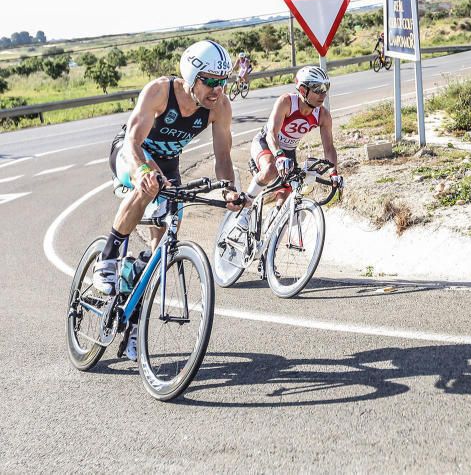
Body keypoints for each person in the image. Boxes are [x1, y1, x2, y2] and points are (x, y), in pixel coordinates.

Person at [93, 40, 243, 356]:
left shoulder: (220, 107)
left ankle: (133, 312)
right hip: (131, 152)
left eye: (222, 81)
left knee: (162, 247)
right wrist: (142, 172)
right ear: (191, 76)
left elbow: (223, 156)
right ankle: (108, 256)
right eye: (210, 81)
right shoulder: (161, 92)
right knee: (147, 188)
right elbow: (134, 141)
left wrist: (228, 188)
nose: (217, 89)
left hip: (167, 165)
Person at [228, 65, 339, 239]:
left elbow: (329, 148)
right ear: (303, 89)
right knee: (271, 169)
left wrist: (334, 173)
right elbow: (272, 132)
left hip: (288, 151)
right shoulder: (287, 102)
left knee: (290, 189)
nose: (323, 94)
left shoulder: (323, 115)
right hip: (266, 143)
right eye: (318, 89)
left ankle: (272, 227)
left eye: (326, 88)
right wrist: (278, 156)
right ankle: (245, 210)